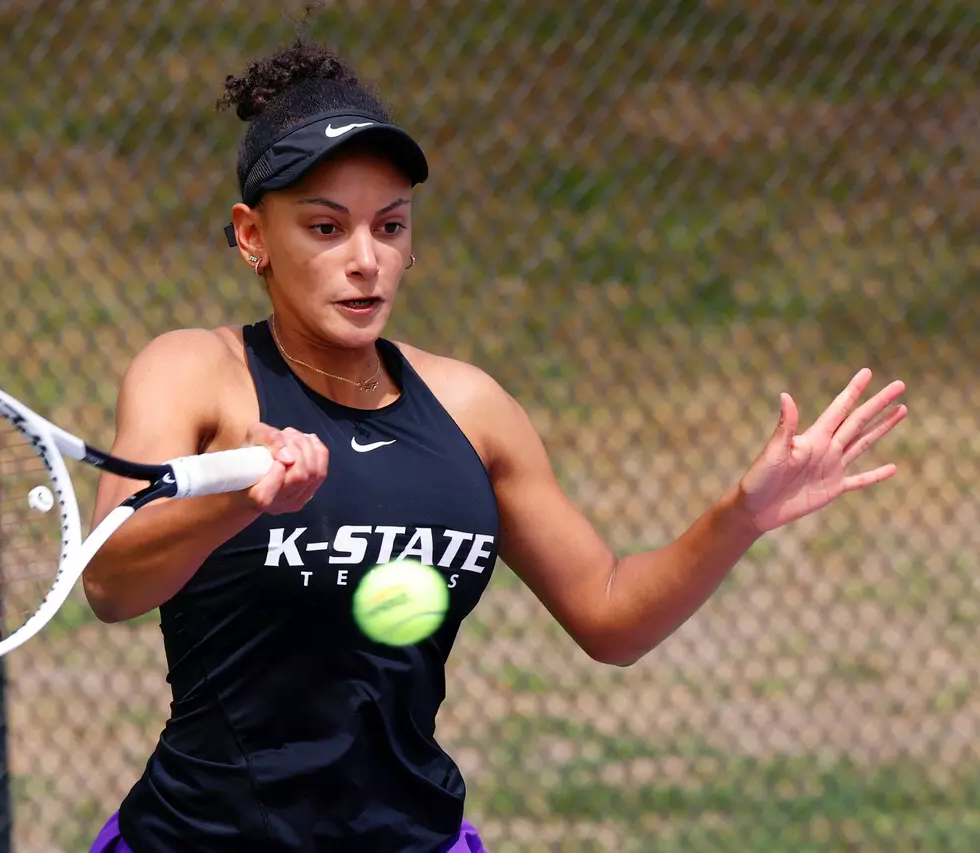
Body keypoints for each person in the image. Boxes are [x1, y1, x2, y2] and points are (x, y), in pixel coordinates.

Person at [79, 37, 908, 853]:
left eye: (389, 225)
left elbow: (610, 615)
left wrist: (743, 512)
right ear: (253, 235)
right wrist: (239, 502)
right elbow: (111, 581)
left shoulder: (470, 407)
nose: (366, 260)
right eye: (326, 228)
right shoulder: (193, 371)